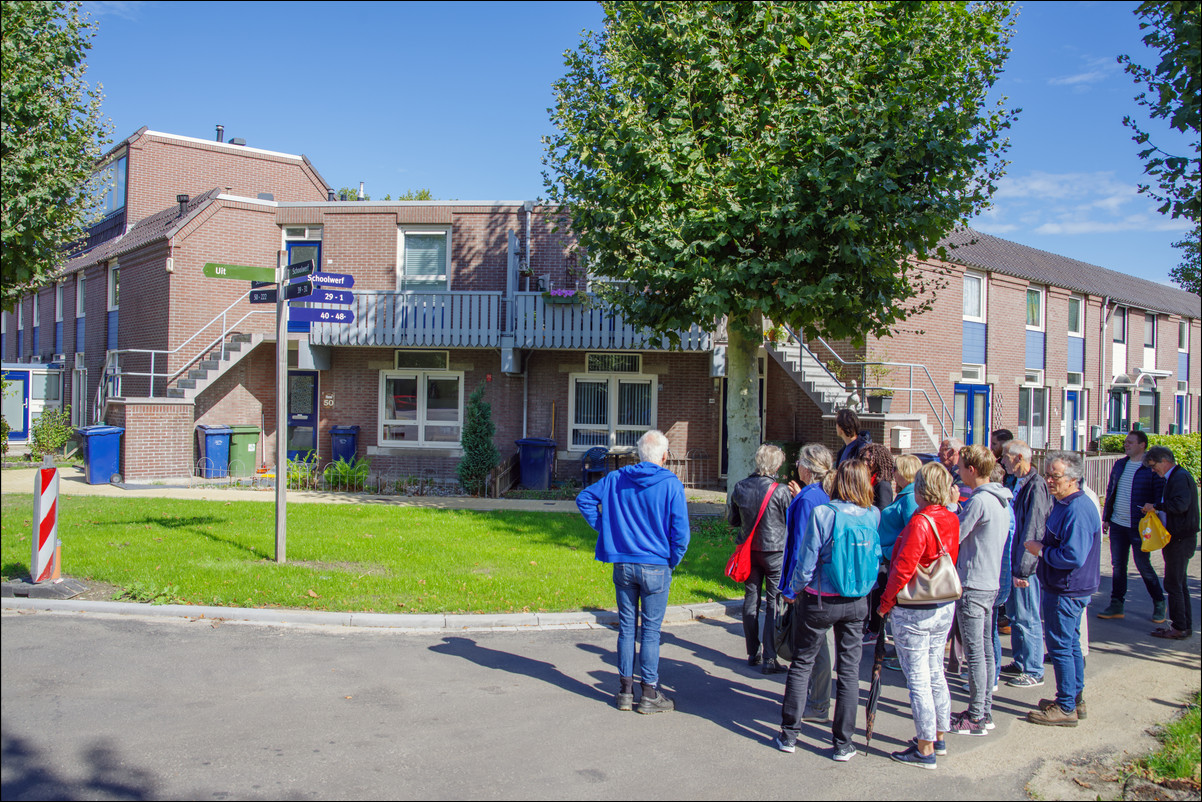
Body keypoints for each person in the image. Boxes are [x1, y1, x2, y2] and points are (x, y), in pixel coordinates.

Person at [576, 429, 690, 714]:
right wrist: (671, 560)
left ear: (640, 454)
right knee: (650, 632)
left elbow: (585, 499)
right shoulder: (670, 483)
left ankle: (625, 691)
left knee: (627, 629)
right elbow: (681, 534)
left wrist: (607, 529)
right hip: (655, 564)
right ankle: (649, 693)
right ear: (663, 456)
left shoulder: (616, 478)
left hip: (624, 562)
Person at [775, 460, 881, 762]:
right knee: (849, 672)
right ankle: (843, 742)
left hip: (820, 598)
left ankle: (790, 734)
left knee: (803, 662)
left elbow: (806, 560)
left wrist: (793, 590)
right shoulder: (873, 515)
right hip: (858, 598)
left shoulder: (824, 514)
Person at [878, 461, 962, 770]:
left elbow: (903, 568)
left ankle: (924, 746)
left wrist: (886, 603)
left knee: (918, 679)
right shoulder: (951, 518)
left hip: (915, 607)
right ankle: (939, 734)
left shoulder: (920, 522)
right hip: (943, 603)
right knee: (935, 670)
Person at [1024, 451, 1102, 727]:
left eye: (1054, 476)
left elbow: (1073, 556)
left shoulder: (1077, 509)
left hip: (1067, 588)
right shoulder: (1066, 503)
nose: (1048, 480)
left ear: (1072, 479)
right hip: (1067, 587)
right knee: (1069, 645)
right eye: (1047, 474)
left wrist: (1041, 550)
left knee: (1060, 647)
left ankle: (1067, 704)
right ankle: (1074, 698)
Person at [948, 444, 1012, 737]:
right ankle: (983, 710)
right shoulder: (1001, 499)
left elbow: (956, 535)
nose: (958, 473)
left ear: (971, 471)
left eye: (961, 468)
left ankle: (976, 715)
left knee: (975, 653)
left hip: (973, 583)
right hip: (990, 581)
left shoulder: (979, 501)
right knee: (985, 650)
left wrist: (951, 507)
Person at [780, 443, 837, 720]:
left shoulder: (806, 500)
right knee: (819, 643)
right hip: (826, 580)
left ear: (807, 467)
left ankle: (817, 703)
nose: (796, 466)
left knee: (813, 645)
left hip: (809, 583)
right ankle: (819, 699)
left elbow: (802, 545)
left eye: (800, 461)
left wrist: (791, 587)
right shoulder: (823, 493)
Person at [728, 444, 793, 673]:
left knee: (751, 598)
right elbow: (790, 522)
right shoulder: (782, 491)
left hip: (749, 550)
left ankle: (752, 651)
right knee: (773, 602)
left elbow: (733, 520)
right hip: (775, 551)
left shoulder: (740, 487)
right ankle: (770, 657)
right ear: (776, 466)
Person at [999, 439, 1052, 688]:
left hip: (1024, 565)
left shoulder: (1036, 486)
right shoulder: (1018, 481)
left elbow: (1034, 527)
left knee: (1027, 615)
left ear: (1019, 457)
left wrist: (1024, 568)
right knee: (1015, 614)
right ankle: (1020, 660)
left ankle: (1034, 669)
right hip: (1014, 560)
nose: (1003, 460)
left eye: (1006, 456)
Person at [1098, 430, 1166, 623]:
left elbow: (1159, 496)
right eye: (1125, 442)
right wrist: (1107, 517)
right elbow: (1111, 490)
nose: (1126, 445)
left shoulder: (1150, 468)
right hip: (1118, 524)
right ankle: (1116, 604)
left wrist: (1156, 513)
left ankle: (1159, 602)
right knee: (1118, 565)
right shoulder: (1120, 464)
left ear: (1142, 445)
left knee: (1143, 564)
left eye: (1130, 442)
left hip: (1139, 525)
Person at [1141, 446, 1199, 640]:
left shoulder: (1179, 478)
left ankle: (1179, 627)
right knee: (1179, 583)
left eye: (1153, 465)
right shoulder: (1176, 476)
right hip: (1180, 536)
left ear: (1164, 461)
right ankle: (1183, 625)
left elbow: (1180, 505)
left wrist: (1156, 506)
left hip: (1181, 538)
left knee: (1174, 583)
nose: (1152, 470)